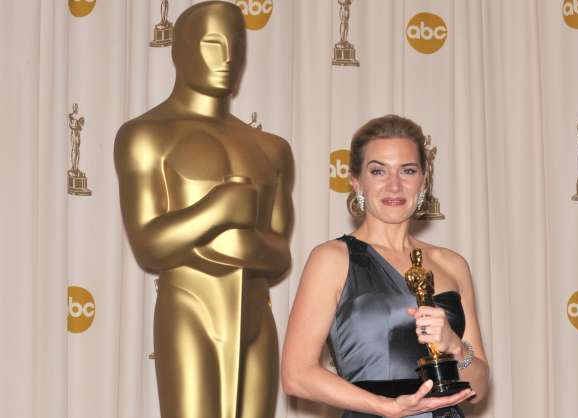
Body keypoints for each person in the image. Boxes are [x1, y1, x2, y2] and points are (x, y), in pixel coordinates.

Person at [114, 2, 293, 418]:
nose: (228, 58)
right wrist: (217, 211)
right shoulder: (145, 135)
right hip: (188, 307)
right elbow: (149, 246)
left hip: (255, 315)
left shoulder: (271, 149)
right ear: (179, 50)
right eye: (213, 44)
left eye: (237, 45)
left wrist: (231, 242)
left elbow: (280, 254)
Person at [282, 115, 489, 418]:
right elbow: (296, 375)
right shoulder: (333, 259)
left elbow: (479, 388)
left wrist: (456, 347)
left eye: (408, 170)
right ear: (356, 181)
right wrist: (386, 407)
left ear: (424, 180)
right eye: (378, 171)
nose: (394, 185)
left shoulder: (453, 264)